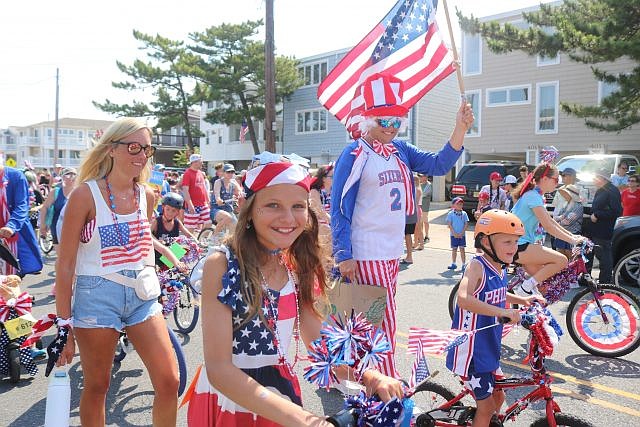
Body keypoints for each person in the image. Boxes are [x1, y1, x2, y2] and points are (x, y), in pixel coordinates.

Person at [185, 154, 403, 426]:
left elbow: (318, 340)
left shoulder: (295, 263)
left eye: (298, 206)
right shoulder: (223, 263)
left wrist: (367, 374)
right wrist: (306, 420)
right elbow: (219, 369)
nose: (288, 218)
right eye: (273, 205)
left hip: (281, 397)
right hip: (234, 401)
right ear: (248, 208)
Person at [331, 72, 474, 377]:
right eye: (386, 121)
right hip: (366, 252)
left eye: (398, 121)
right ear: (369, 120)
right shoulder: (355, 153)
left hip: (390, 251)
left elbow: (438, 164)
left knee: (370, 320)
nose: (392, 128)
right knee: (380, 321)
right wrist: (343, 254)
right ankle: (385, 386)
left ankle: (358, 378)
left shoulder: (401, 151)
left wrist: (460, 128)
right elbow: (340, 207)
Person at [55, 118, 179, 427]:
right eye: (133, 147)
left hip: (141, 295)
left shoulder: (148, 196)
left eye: (146, 148)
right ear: (112, 149)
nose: (141, 155)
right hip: (96, 295)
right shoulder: (85, 196)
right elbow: (66, 262)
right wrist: (63, 324)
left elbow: (140, 241)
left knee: (169, 380)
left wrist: (168, 259)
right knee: (97, 387)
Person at [447, 209, 539, 427]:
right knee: (487, 406)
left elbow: (497, 292)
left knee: (499, 397)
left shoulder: (500, 268)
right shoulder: (476, 265)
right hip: (470, 352)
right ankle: (483, 418)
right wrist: (503, 312)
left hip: (488, 346)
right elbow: (463, 299)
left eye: (516, 241)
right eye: (507, 242)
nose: (514, 247)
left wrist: (522, 300)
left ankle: (484, 422)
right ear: (486, 243)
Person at [511, 163, 585, 297]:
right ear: (545, 179)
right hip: (518, 245)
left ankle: (526, 303)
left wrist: (574, 236)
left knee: (543, 287)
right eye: (556, 180)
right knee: (562, 260)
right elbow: (548, 226)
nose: (558, 183)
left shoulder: (534, 195)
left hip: (520, 244)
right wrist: (573, 240)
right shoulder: (533, 196)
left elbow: (551, 221)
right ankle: (525, 288)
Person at [0, 165, 43, 277]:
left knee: (9, 280)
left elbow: (22, 205)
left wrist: (11, 226)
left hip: (11, 236)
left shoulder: (16, 176)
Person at [586, 168, 623, 284]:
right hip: (596, 228)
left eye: (595, 177)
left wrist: (597, 214)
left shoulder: (611, 190)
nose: (593, 180)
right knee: (596, 253)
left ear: (602, 178)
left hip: (604, 228)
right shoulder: (602, 189)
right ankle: (589, 279)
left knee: (604, 255)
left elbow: (617, 211)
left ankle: (605, 281)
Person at [151, 192, 197, 269]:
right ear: (163, 207)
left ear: (178, 212)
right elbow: (148, 233)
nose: (170, 213)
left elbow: (188, 234)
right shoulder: (157, 221)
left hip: (172, 257)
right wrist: (157, 241)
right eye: (167, 209)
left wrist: (198, 243)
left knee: (185, 244)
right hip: (157, 257)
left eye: (173, 210)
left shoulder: (177, 222)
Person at [38, 167, 78, 255]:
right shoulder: (55, 192)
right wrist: (43, 225)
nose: (72, 176)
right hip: (57, 228)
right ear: (62, 177)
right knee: (61, 257)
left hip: (75, 228)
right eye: (68, 174)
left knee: (75, 257)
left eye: (74, 174)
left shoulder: (79, 192)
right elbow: (44, 208)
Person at [210, 163, 242, 239]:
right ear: (223, 173)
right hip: (216, 209)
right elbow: (217, 194)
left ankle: (227, 243)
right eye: (228, 172)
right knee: (228, 217)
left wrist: (239, 194)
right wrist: (218, 199)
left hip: (228, 209)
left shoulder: (233, 182)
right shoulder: (218, 182)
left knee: (236, 227)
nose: (230, 174)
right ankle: (213, 237)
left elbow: (240, 192)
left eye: (232, 172)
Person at [551, 184, 583, 260]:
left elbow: (568, 221)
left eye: (566, 193)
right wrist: (559, 219)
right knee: (560, 256)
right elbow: (556, 217)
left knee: (571, 257)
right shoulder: (566, 205)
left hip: (572, 234)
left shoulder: (578, 206)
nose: (564, 195)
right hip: (562, 234)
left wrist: (558, 221)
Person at [182, 153, 212, 234]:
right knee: (190, 228)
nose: (202, 163)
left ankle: (201, 239)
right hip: (193, 204)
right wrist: (190, 204)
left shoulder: (200, 173)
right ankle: (189, 244)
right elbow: (185, 190)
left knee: (209, 222)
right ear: (194, 162)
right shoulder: (187, 173)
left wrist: (208, 200)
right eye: (200, 161)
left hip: (203, 204)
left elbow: (203, 188)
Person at [309, 163, 333, 231]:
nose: (335, 178)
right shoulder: (315, 191)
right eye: (332, 176)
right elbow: (319, 211)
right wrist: (333, 223)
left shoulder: (334, 191)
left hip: (332, 226)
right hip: (320, 228)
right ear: (323, 178)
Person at [447, 197, 469, 270]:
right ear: (453, 205)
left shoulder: (464, 214)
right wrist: (454, 233)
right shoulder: (450, 214)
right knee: (454, 249)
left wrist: (462, 233)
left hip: (462, 235)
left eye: (461, 204)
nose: (460, 205)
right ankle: (454, 263)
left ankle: (463, 264)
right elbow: (449, 224)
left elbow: (466, 224)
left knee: (462, 249)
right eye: (458, 204)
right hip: (454, 235)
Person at [415, 174, 431, 246]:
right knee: (420, 222)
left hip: (425, 206)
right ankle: (419, 237)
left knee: (425, 221)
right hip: (419, 206)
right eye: (420, 176)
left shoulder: (429, 185)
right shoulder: (419, 185)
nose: (420, 177)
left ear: (426, 177)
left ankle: (427, 236)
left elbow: (423, 194)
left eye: (421, 176)